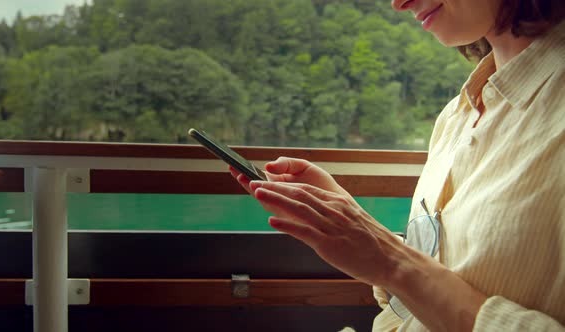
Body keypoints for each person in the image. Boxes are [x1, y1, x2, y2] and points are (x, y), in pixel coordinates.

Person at [230, 0, 565, 330]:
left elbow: (413, 275)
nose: (399, 3)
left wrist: (394, 262)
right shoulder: (456, 116)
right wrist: (358, 228)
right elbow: (430, 290)